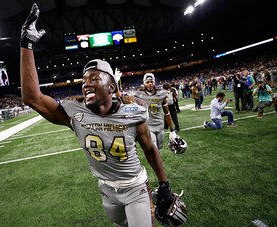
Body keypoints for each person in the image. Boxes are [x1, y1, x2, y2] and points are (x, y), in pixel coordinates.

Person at [20, 4, 186, 226]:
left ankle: (151, 198)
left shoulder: (134, 111)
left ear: (111, 87)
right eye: (84, 80)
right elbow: (32, 97)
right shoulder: (74, 112)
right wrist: (26, 44)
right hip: (106, 189)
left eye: (94, 79)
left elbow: (149, 148)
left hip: (135, 186)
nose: (86, 84)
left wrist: (164, 183)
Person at [133, 73, 178, 150]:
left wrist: (172, 130)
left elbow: (167, 113)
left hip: (160, 125)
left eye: (151, 81)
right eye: (147, 82)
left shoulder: (161, 94)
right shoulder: (138, 95)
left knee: (159, 147)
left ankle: (156, 161)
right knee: (154, 147)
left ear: (154, 82)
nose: (150, 84)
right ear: (144, 83)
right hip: (148, 126)